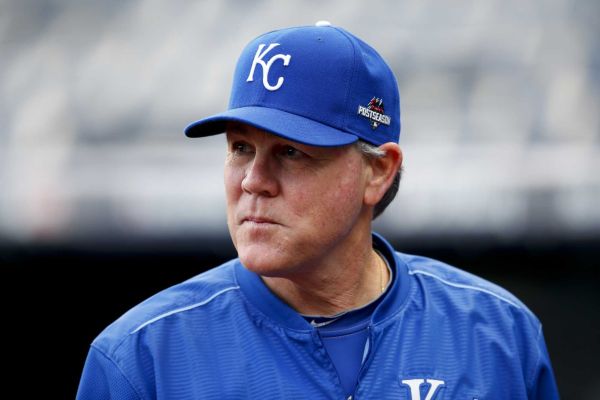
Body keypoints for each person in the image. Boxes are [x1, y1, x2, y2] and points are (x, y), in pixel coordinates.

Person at [76, 22, 559, 399]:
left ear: (378, 172)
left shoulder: (497, 333)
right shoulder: (142, 356)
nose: (253, 181)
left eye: (290, 152)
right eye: (241, 148)